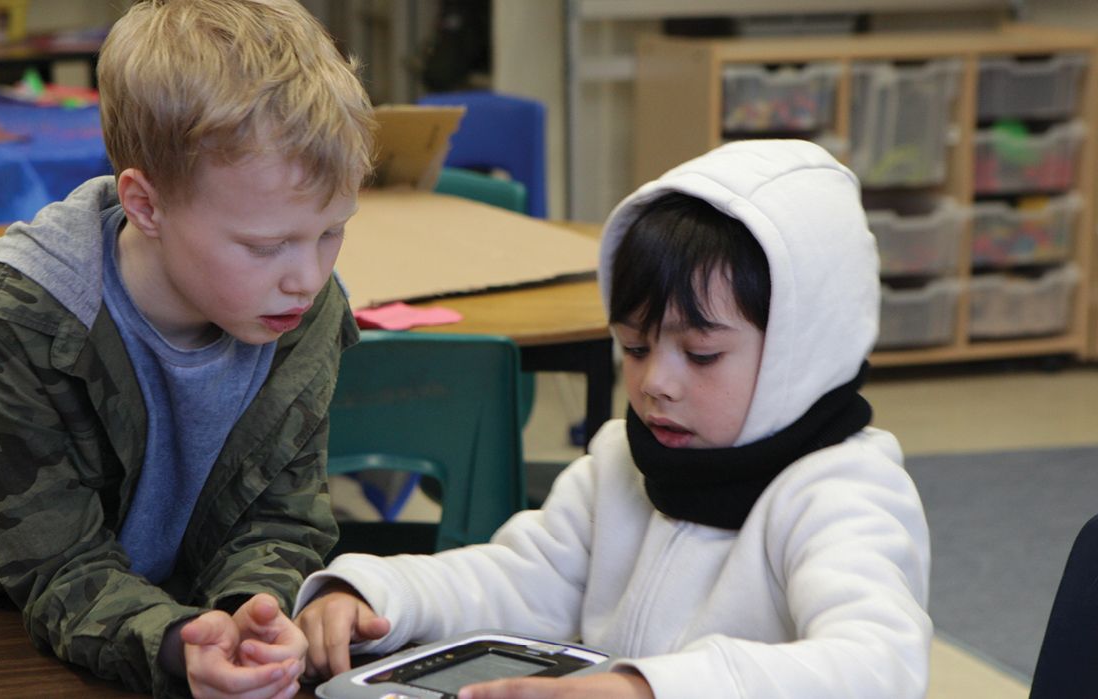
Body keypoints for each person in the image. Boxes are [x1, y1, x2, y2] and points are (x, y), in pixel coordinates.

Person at [294, 140, 932, 698]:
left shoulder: (843, 494)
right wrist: (376, 593)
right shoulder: (622, 463)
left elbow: (880, 666)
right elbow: (523, 579)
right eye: (634, 347)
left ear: (803, 349)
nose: (655, 383)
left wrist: (651, 687)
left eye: (702, 354)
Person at [0, 1, 375, 697]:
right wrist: (175, 644)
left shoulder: (302, 308)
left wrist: (250, 615)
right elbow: (56, 568)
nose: (309, 275)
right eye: (266, 245)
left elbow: (278, 515)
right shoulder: (19, 318)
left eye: (331, 232)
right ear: (144, 205)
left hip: (173, 630)